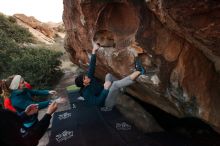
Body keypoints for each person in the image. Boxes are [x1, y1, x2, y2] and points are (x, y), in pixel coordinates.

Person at [75, 43, 143, 108]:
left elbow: (92, 66)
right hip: (106, 102)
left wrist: (94, 50)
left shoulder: (89, 78)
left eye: (85, 76)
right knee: (115, 84)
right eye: (85, 78)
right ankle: (139, 71)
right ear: (84, 83)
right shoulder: (86, 93)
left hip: (106, 92)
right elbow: (97, 102)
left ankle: (122, 88)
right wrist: (105, 89)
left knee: (108, 76)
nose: (86, 77)